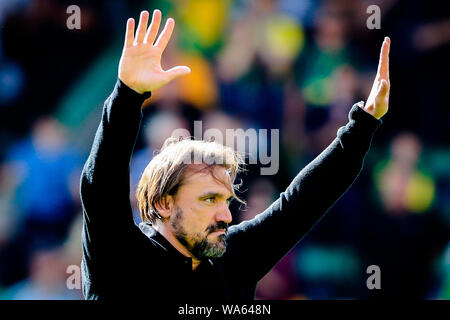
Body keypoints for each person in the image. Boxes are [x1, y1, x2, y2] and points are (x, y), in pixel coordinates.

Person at [80, 9, 390, 301]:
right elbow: (100, 188)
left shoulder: (233, 259)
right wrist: (128, 93)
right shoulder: (119, 260)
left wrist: (363, 125)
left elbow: (305, 200)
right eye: (209, 199)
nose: (227, 216)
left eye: (226, 201)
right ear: (164, 203)